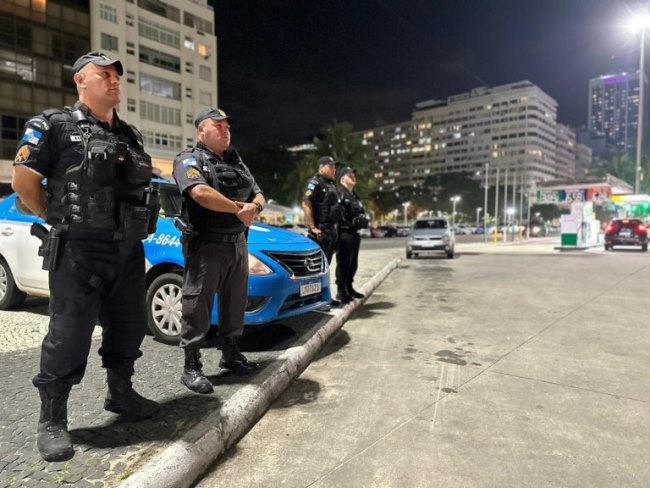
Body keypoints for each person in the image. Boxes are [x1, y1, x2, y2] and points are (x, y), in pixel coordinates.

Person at [11, 52, 160, 463]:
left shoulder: (130, 135)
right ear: (81, 80)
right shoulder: (53, 125)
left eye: (117, 76)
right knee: (69, 333)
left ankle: (121, 393)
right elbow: (23, 182)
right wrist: (58, 218)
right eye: (104, 75)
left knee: (129, 326)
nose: (114, 81)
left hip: (127, 248)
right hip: (78, 250)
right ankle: (53, 419)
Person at [172, 108, 265, 395]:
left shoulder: (238, 163)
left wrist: (255, 207)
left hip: (237, 243)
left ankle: (230, 353)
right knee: (197, 304)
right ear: (201, 130)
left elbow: (259, 193)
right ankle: (191, 365)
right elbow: (200, 193)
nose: (226, 130)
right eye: (218, 125)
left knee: (235, 301)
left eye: (228, 126)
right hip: (206, 244)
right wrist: (240, 209)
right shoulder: (189, 159)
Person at [302, 156, 344, 306]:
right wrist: (313, 227)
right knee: (316, 269)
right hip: (320, 233)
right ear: (321, 167)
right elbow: (306, 204)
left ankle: (324, 297)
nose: (334, 169)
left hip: (331, 232)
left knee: (326, 267)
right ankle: (314, 299)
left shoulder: (331, 184)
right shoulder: (314, 184)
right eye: (331, 166)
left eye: (335, 167)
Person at [335, 166, 368, 303]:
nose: (353, 177)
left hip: (355, 233)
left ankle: (349, 286)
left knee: (353, 262)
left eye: (354, 175)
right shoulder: (340, 193)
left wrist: (363, 220)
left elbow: (361, 212)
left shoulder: (355, 195)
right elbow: (336, 214)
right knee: (344, 262)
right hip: (344, 233)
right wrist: (350, 222)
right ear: (343, 179)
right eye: (350, 175)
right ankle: (341, 291)